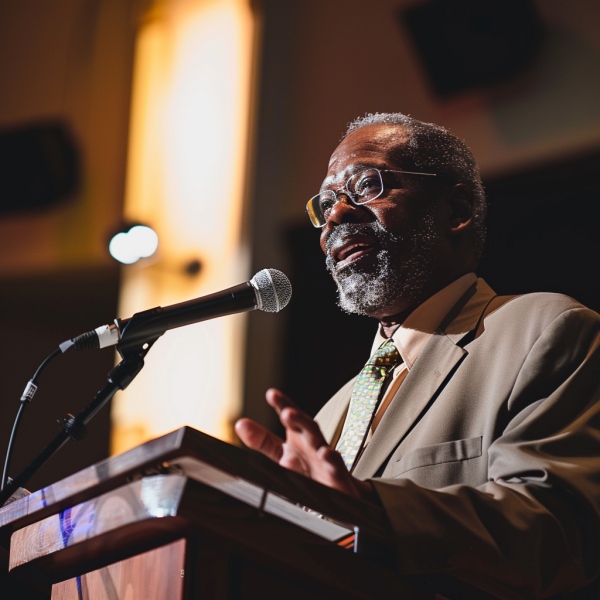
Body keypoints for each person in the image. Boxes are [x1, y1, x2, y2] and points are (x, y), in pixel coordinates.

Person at [235, 112, 600, 599]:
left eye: (366, 185)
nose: (337, 216)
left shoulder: (546, 330)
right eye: (326, 204)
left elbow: (560, 530)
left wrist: (372, 507)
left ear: (454, 210)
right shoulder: (329, 416)